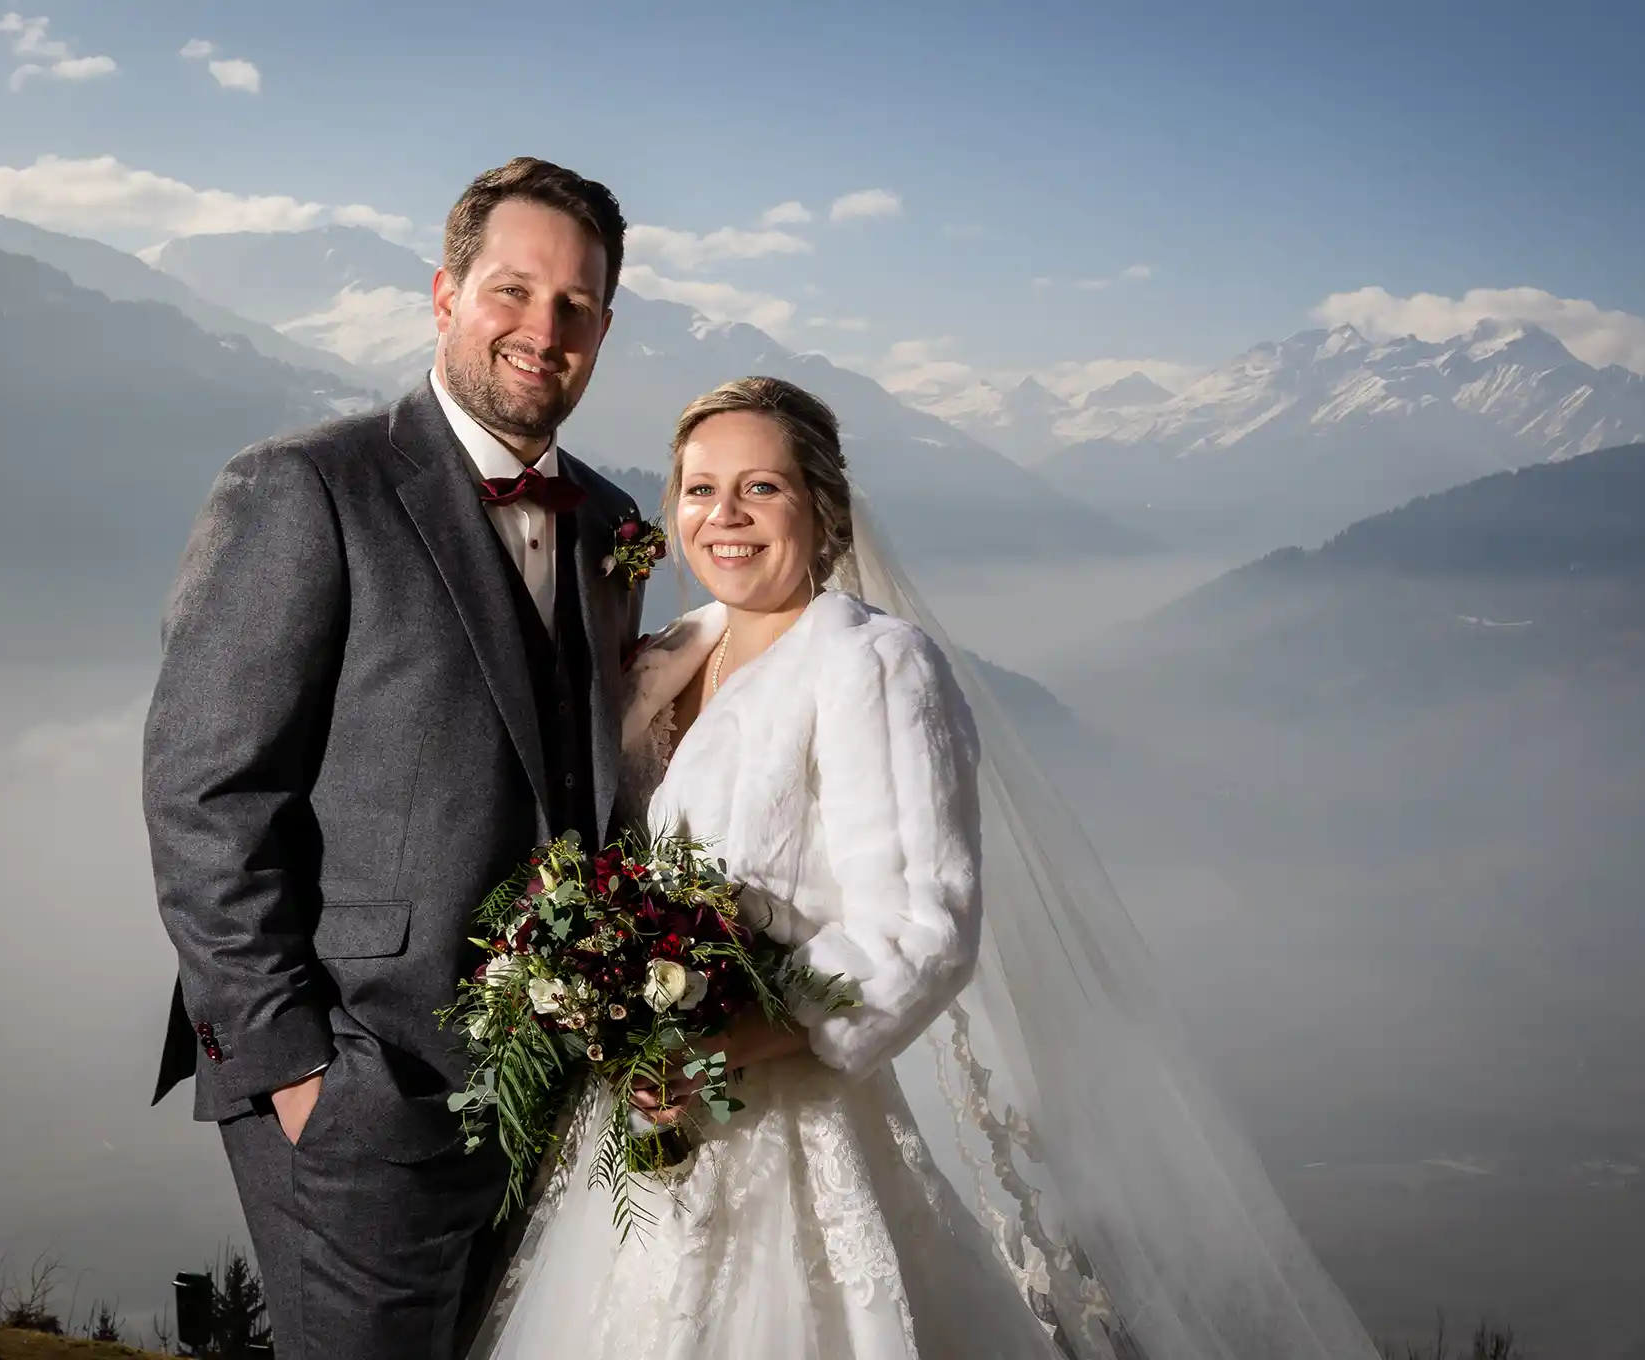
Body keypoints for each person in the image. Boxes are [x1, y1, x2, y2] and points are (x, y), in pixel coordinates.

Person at [472, 377, 1382, 1359]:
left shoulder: (872, 666)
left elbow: (921, 927)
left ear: (822, 509)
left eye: (760, 489)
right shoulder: (666, 660)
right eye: (697, 489)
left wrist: (727, 1040)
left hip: (781, 1123)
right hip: (637, 1140)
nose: (722, 516)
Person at [142, 157, 645, 1360]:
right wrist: (300, 1071)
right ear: (443, 293)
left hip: (546, 1092)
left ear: (605, 329)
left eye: (576, 305)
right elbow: (207, 792)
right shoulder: (303, 486)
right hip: (357, 1085)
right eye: (512, 291)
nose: (542, 328)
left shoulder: (616, 525)